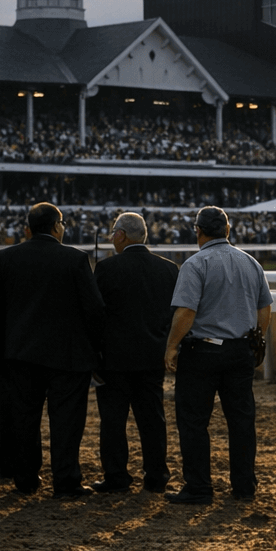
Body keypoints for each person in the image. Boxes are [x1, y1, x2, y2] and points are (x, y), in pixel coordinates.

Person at [0, 202, 103, 498]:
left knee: (24, 419)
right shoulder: (75, 259)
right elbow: (95, 310)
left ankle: (26, 480)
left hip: (20, 354)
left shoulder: (6, 258)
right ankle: (66, 481)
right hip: (68, 356)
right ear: (57, 226)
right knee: (66, 422)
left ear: (28, 228)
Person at [164, 206, 273, 506]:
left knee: (194, 422)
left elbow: (186, 312)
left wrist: (172, 346)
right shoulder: (251, 263)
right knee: (241, 421)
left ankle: (199, 488)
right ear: (227, 230)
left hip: (202, 351)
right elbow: (265, 308)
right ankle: (244, 487)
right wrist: (258, 340)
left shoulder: (195, 264)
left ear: (197, 231)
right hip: (240, 350)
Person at [92, 211, 178, 494]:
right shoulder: (168, 269)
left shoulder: (106, 269)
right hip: (152, 355)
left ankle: (116, 477)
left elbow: (96, 315)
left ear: (120, 235)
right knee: (153, 419)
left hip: (114, 359)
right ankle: (156, 476)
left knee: (113, 421)